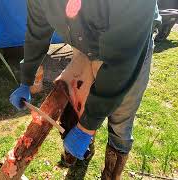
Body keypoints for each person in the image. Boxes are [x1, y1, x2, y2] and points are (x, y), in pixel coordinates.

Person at [10, 0, 161, 179]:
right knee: (78, 102)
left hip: (130, 46)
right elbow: (37, 32)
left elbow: (120, 64)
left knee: (120, 120)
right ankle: (82, 151)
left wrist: (87, 127)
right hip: (84, 41)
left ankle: (111, 174)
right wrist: (26, 79)